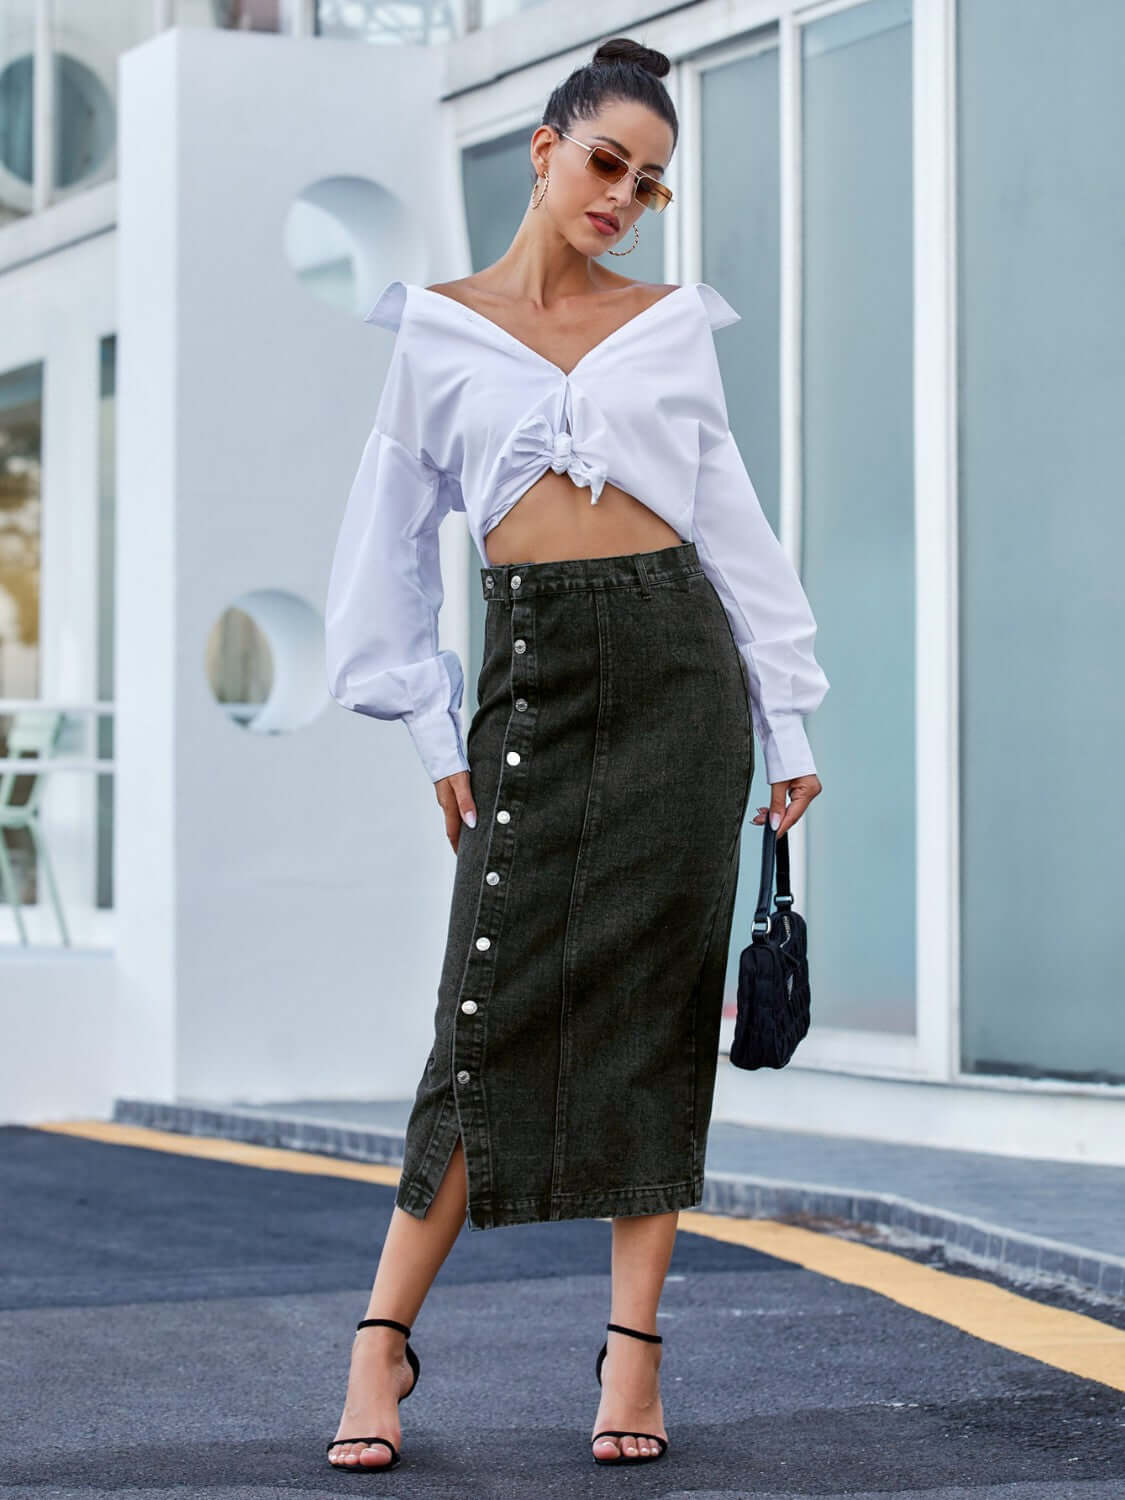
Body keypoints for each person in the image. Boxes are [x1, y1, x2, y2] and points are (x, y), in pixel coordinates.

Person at [321, 35, 829, 1473]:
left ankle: (632, 1355)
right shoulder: (433, 329)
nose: (621, 195)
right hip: (533, 679)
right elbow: (390, 554)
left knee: (658, 1018)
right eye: (605, 162)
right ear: (543, 150)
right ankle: (381, 1342)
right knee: (478, 1013)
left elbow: (730, 529)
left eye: (649, 183)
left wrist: (784, 717)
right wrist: (431, 733)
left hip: (680, 683)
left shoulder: (667, 328)